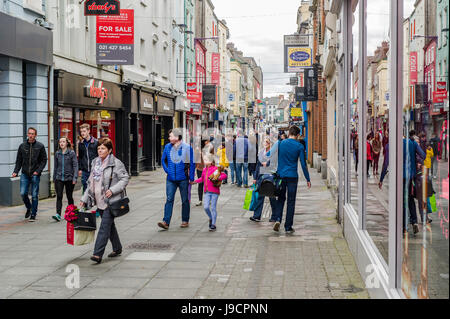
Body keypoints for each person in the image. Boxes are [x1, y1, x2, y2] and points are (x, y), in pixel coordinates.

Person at [80, 138, 129, 264]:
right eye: (98, 148)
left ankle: (97, 254)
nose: (100, 151)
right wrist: (84, 199)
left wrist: (113, 190)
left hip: (110, 201)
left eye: (103, 148)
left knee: (104, 227)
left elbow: (125, 179)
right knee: (110, 226)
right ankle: (117, 248)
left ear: (109, 150)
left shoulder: (116, 163)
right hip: (98, 200)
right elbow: (90, 182)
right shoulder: (95, 162)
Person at [379, 131, 425, 234]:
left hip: (398, 176)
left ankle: (404, 227)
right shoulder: (412, 143)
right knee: (409, 198)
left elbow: (386, 163)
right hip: (410, 176)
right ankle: (414, 221)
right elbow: (423, 155)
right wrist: (416, 161)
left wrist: (381, 179)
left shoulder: (390, 145)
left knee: (401, 200)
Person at [272, 126, 311, 233]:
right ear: (298, 135)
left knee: (280, 198)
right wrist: (308, 178)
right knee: (291, 201)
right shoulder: (299, 146)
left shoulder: (281, 144)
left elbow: (272, 157)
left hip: (281, 175)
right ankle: (288, 227)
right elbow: (303, 164)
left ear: (289, 133)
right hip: (292, 176)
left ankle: (278, 219)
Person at [158, 129, 195, 230]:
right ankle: (166, 222)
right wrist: (167, 171)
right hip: (170, 179)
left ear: (177, 137)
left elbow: (192, 163)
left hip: (183, 178)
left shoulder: (187, 148)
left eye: (170, 136)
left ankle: (185, 220)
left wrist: (191, 177)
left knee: (185, 200)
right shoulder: (167, 147)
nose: (169, 138)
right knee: (169, 199)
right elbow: (163, 160)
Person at [12, 127, 47, 222]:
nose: (31, 135)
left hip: (35, 174)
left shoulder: (40, 146)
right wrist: (15, 171)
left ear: (35, 135)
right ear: (27, 134)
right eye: (29, 133)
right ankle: (29, 207)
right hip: (24, 174)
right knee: (23, 193)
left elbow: (44, 160)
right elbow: (19, 160)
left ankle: (33, 214)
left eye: (33, 134)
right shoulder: (22, 146)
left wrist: (38, 171)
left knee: (34, 195)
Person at [191, 154, 227, 231]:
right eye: (204, 160)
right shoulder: (204, 170)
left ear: (211, 162)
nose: (205, 161)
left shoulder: (216, 169)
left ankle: (213, 224)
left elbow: (224, 175)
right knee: (206, 207)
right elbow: (202, 179)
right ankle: (211, 218)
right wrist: (194, 182)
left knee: (213, 207)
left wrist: (218, 178)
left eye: (206, 160)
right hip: (207, 192)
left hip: (215, 191)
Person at [249, 137, 277, 222]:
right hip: (261, 176)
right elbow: (258, 166)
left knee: (272, 197)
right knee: (260, 196)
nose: (266, 144)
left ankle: (274, 216)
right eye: (264, 142)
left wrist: (267, 164)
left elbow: (275, 163)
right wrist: (255, 177)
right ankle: (257, 216)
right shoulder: (261, 153)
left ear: (271, 144)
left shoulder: (274, 153)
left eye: (267, 142)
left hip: (271, 176)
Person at [53, 137, 78, 222]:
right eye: (60, 142)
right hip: (59, 177)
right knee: (59, 196)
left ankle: (72, 212)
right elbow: (55, 167)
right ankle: (58, 214)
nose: (62, 143)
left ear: (67, 143)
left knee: (69, 196)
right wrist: (54, 178)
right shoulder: (57, 153)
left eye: (63, 142)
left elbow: (75, 166)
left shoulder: (71, 153)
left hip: (69, 178)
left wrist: (75, 177)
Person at [78, 124, 98, 194]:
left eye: (84, 131)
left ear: (88, 131)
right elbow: (80, 157)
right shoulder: (81, 144)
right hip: (85, 171)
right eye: (81, 132)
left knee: (94, 188)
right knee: (85, 188)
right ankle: (86, 204)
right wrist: (80, 168)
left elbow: (99, 156)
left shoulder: (96, 142)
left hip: (94, 170)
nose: (82, 133)